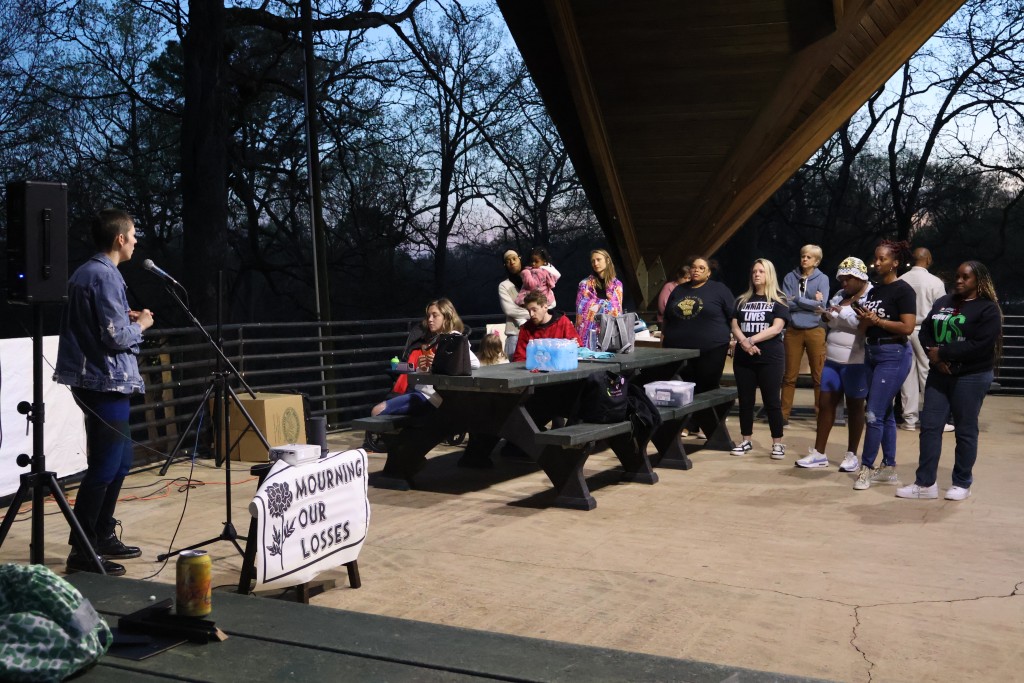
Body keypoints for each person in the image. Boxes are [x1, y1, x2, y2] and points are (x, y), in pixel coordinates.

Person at [54, 209, 154, 576]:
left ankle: (101, 533)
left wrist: (123, 317)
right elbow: (114, 338)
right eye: (133, 234)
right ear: (120, 239)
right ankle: (82, 550)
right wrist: (140, 324)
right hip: (105, 382)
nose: (136, 240)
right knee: (106, 465)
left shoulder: (89, 272)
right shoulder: (104, 276)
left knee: (121, 462)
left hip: (98, 380)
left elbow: (99, 326)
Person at [896, 261, 1002, 501]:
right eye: (957, 276)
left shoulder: (987, 309)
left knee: (965, 429)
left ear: (979, 281)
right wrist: (935, 359)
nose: (959, 280)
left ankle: (962, 482)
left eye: (965, 277)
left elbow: (980, 344)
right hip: (939, 374)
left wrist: (943, 354)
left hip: (971, 376)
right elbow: (925, 332)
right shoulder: (943, 302)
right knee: (930, 428)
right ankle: (925, 484)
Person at [795, 257, 871, 471]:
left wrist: (841, 314)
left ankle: (851, 455)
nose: (843, 283)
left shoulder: (869, 295)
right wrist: (829, 316)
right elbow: (831, 320)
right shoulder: (840, 295)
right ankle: (819, 453)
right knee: (825, 403)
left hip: (855, 360)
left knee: (855, 406)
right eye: (841, 279)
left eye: (847, 279)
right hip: (833, 359)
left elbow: (861, 324)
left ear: (859, 277)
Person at [851, 240, 916, 491]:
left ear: (895, 262)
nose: (876, 263)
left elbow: (907, 327)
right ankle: (888, 467)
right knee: (885, 413)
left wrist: (877, 320)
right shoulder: (874, 292)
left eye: (882, 259)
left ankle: (866, 468)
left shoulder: (904, 290)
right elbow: (863, 327)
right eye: (875, 259)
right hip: (873, 352)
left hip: (894, 353)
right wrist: (865, 319)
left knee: (873, 413)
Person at [662, 256, 735, 442]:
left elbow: (732, 315)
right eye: (694, 267)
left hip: (711, 348)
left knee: (707, 387)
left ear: (709, 272)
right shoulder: (679, 290)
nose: (696, 270)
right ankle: (688, 424)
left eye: (701, 268)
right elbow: (668, 317)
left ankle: (710, 424)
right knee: (684, 387)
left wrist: (734, 338)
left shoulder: (719, 290)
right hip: (679, 349)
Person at [371, 298, 479, 416]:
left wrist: (440, 363)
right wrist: (423, 368)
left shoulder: (453, 338)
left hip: (430, 397)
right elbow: (412, 367)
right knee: (377, 410)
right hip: (418, 388)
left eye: (435, 316)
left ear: (447, 317)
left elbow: (474, 363)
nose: (430, 320)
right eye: (428, 316)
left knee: (377, 411)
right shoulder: (435, 339)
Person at [729, 259, 790, 458]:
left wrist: (750, 340)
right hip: (744, 357)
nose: (757, 274)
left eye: (761, 271)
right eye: (754, 271)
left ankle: (777, 443)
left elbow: (777, 328)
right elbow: (735, 325)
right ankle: (746, 440)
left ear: (769, 274)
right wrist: (744, 343)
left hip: (770, 357)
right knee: (745, 400)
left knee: (772, 400)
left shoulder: (779, 299)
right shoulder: (742, 300)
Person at [898, 247, 948, 431]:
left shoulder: (901, 280)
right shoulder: (935, 282)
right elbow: (943, 311)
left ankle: (909, 420)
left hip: (903, 330)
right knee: (928, 374)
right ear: (927, 259)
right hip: (925, 331)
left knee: (907, 376)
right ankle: (933, 418)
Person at [781, 244, 829, 424]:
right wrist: (810, 302)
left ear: (816, 261)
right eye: (803, 256)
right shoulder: (789, 277)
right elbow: (786, 303)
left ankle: (821, 417)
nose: (804, 259)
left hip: (815, 330)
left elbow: (821, 306)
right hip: (793, 330)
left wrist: (798, 299)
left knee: (819, 376)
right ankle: (783, 415)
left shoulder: (822, 279)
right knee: (789, 376)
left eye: (809, 257)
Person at [513, 292, 582, 362]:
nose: (531, 314)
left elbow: (577, 349)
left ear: (545, 307)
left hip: (561, 369)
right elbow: (519, 358)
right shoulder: (526, 329)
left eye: (534, 310)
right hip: (534, 371)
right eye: (529, 311)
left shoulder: (563, 322)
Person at [575, 248, 624, 348]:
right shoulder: (584, 284)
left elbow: (615, 308)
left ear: (607, 260)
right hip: (587, 334)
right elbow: (581, 309)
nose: (595, 263)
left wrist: (596, 304)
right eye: (593, 261)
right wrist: (604, 303)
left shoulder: (617, 285)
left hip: (609, 333)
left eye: (598, 259)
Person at [498, 250, 529, 360]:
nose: (511, 262)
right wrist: (533, 313)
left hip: (537, 333)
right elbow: (510, 310)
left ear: (519, 259)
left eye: (514, 259)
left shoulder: (533, 280)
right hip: (515, 333)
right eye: (508, 261)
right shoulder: (504, 285)